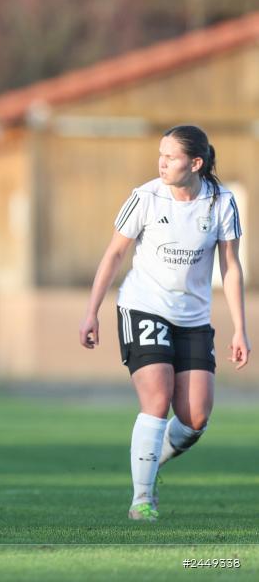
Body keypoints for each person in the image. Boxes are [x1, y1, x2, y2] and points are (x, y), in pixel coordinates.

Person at [79, 124, 249, 521]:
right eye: (160, 154)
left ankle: (149, 462)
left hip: (193, 319)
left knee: (196, 418)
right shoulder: (145, 197)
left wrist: (241, 328)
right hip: (144, 307)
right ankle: (142, 500)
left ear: (195, 163)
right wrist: (92, 311)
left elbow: (231, 266)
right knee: (157, 399)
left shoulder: (220, 202)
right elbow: (114, 255)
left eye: (170, 157)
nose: (161, 163)